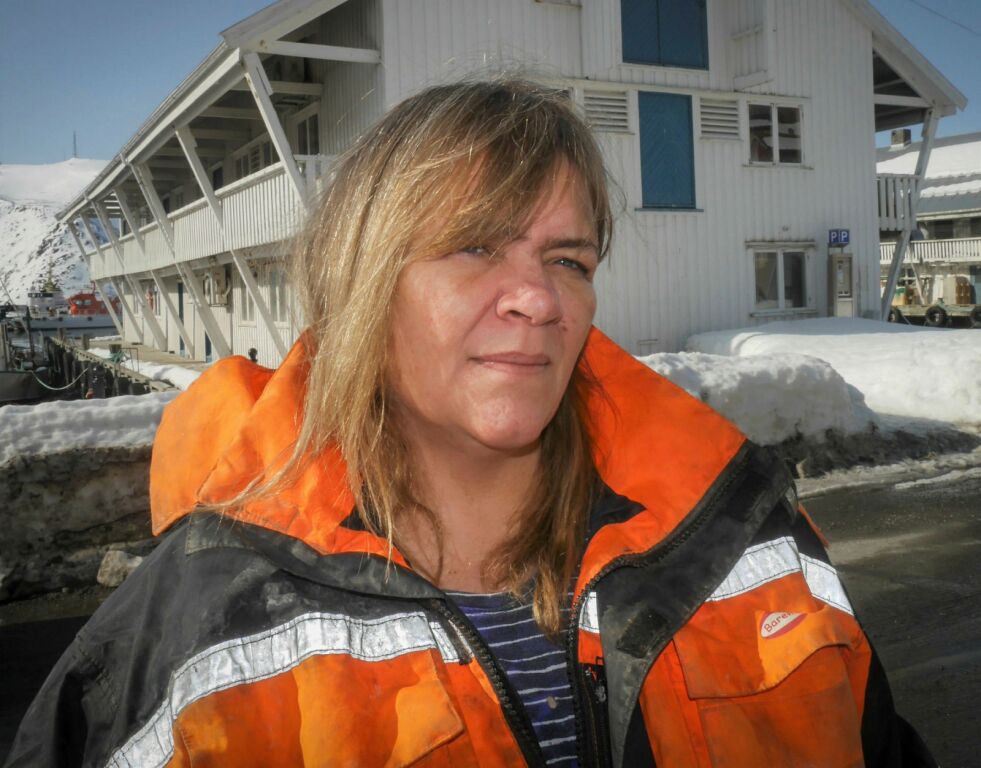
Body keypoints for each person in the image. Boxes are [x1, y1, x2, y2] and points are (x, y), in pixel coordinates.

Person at [7, 79, 931, 768]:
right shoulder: (195, 629)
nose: (536, 297)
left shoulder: (745, 531)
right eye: (474, 246)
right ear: (364, 286)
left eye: (566, 258)